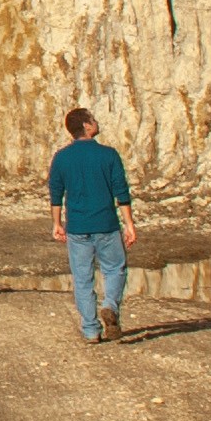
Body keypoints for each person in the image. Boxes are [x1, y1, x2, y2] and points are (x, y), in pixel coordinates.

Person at [45, 106, 136, 341]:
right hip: (106, 224)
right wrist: (129, 223)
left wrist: (56, 223)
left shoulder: (62, 157)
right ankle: (110, 307)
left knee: (82, 277)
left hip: (77, 227)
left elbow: (56, 193)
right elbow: (121, 191)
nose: (97, 122)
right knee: (115, 268)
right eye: (93, 120)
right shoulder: (109, 155)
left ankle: (91, 330)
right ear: (86, 126)